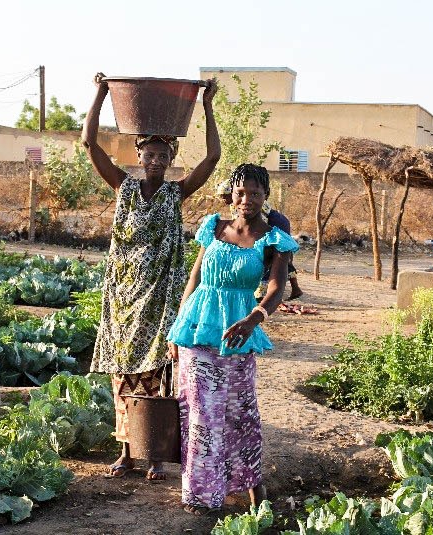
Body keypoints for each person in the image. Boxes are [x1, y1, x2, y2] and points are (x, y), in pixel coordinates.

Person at [82, 73, 220, 481]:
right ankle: (127, 450)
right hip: (123, 298)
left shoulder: (175, 194)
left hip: (159, 298)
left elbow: (211, 160)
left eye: (164, 155)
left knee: (158, 372)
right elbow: (90, 144)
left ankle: (155, 453)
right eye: (150, 154)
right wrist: (102, 93)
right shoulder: (123, 188)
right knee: (122, 375)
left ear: (171, 159)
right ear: (140, 157)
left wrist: (208, 106)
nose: (157, 160)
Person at [167, 164, 299, 515]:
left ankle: (251, 486)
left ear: (265, 197)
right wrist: (178, 327)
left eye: (255, 193)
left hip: (239, 335)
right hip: (197, 332)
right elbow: (194, 280)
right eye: (241, 193)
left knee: (240, 414)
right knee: (202, 415)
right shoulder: (213, 228)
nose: (247, 200)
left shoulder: (273, 238)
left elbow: (276, 288)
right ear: (231, 194)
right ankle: (202, 494)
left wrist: (253, 318)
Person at [216, 179, 302, 300]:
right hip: (275, 223)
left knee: (270, 258)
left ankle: (262, 296)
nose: (223, 199)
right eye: (221, 197)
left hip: (276, 223)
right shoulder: (236, 205)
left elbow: (258, 225)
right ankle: (293, 289)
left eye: (224, 196)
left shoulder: (250, 204)